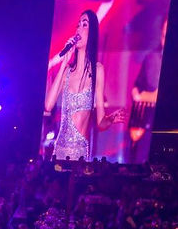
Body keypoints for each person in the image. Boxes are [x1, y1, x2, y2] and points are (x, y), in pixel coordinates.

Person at [44, 9, 127, 160]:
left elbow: (101, 122)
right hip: (59, 150)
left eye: (84, 24)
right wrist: (64, 63)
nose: (78, 29)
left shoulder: (97, 70)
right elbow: (48, 105)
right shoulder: (67, 71)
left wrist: (111, 119)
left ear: (92, 33)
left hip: (79, 154)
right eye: (78, 25)